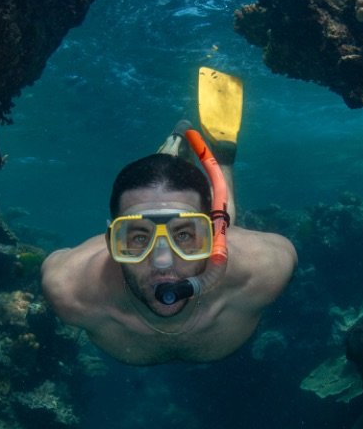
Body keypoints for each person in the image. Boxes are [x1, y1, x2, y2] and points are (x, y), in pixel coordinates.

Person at [41, 131, 296, 365]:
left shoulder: (263, 270)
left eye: (183, 235)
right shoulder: (70, 291)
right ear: (111, 243)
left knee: (222, 216)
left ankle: (220, 162)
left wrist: (144, 233)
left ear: (211, 238)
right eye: (139, 238)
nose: (163, 261)